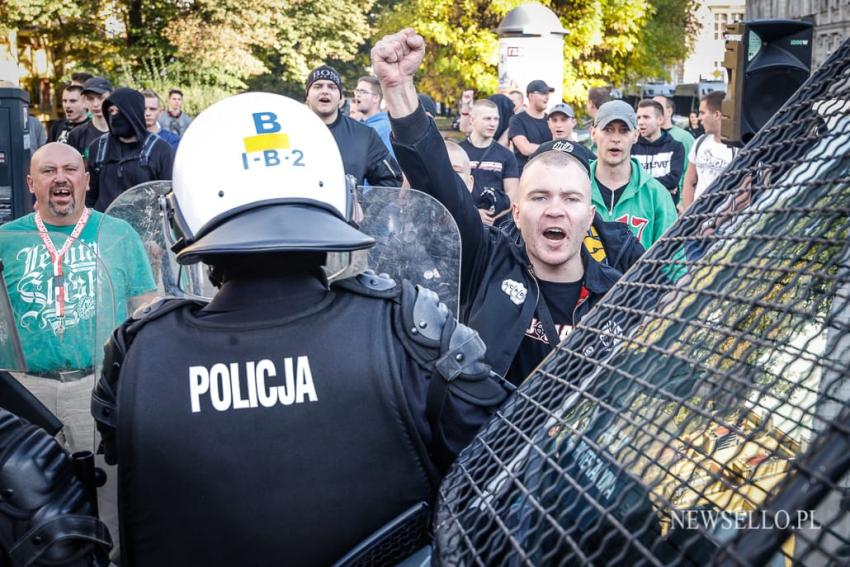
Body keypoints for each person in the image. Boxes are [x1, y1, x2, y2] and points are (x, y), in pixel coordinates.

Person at [90, 92, 510, 565]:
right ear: (344, 200)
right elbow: (507, 472)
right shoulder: (412, 331)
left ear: (180, 219)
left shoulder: (138, 353)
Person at [374, 29, 641, 386]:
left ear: (589, 216)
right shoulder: (487, 264)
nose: (555, 210)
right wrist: (398, 88)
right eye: (539, 196)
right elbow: (438, 182)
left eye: (571, 198)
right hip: (491, 440)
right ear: (516, 211)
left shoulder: (621, 294)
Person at [0, 143, 155, 451]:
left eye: (70, 170)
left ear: (85, 180)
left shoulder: (119, 234)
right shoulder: (7, 239)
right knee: (34, 494)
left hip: (97, 389)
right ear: (31, 183)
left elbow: (146, 310)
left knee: (105, 492)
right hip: (26, 393)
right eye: (48, 171)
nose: (60, 178)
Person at [590, 100, 677, 249]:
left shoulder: (656, 194)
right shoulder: (576, 188)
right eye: (608, 130)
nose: (615, 139)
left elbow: (672, 261)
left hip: (641, 273)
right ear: (593, 134)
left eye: (624, 131)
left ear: (636, 135)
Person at [305, 64, 402, 187]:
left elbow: (392, 181)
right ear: (307, 95)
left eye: (332, 87)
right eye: (318, 86)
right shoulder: (289, 130)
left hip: (344, 207)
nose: (325, 91)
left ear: (340, 97)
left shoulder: (364, 135)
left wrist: (364, 204)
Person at [86, 87, 175, 211]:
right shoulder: (98, 148)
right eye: (111, 111)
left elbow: (169, 196)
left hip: (144, 227)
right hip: (105, 225)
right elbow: (89, 196)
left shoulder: (160, 150)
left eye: (119, 111)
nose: (114, 116)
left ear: (133, 112)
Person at [459, 99, 519, 226]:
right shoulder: (458, 152)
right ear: (472, 120)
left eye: (496, 119)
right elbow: (450, 189)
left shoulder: (507, 155)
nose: (493, 124)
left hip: (496, 228)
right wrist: (474, 213)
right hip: (464, 223)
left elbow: (513, 194)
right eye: (487, 119)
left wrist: (490, 216)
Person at [682, 91, 739, 210]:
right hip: (697, 221)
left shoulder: (738, 148)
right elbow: (689, 182)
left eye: (702, 113)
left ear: (717, 115)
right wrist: (688, 218)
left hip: (727, 225)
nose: (699, 118)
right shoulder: (700, 142)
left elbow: (744, 193)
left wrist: (716, 222)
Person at [632, 98, 686, 204]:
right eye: (638, 118)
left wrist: (642, 184)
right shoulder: (632, 148)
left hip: (666, 209)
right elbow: (630, 181)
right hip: (639, 208)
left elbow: (673, 180)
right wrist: (663, 186)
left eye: (646, 117)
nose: (641, 122)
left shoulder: (676, 147)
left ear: (660, 120)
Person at [653, 95, 695, 199]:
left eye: (658, 107)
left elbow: (690, 174)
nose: (653, 111)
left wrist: (682, 203)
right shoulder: (643, 138)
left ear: (669, 112)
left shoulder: (684, 138)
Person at [509, 79, 554, 174]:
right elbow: (525, 149)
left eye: (548, 94)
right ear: (531, 96)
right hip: (526, 175)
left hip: (549, 173)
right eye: (543, 93)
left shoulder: (551, 120)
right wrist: (552, 147)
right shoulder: (517, 120)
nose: (547, 97)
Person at [68, 76, 112, 161]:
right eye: (90, 98)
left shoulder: (122, 132)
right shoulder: (77, 134)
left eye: (101, 98)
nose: (96, 104)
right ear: (84, 101)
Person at [354, 75, 395, 157]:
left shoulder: (385, 128)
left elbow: (389, 164)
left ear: (376, 98)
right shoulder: (356, 125)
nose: (358, 95)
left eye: (363, 92)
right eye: (357, 91)